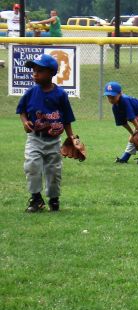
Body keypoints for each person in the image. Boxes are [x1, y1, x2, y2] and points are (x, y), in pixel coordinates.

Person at [16, 54, 76, 212]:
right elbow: (21, 110)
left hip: (54, 140)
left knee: (54, 170)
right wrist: (25, 122)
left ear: (51, 73)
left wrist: (72, 137)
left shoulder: (60, 95)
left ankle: (54, 199)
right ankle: (36, 199)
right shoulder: (31, 92)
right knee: (32, 165)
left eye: (40, 70)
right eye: (34, 70)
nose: (35, 73)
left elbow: (67, 118)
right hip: (35, 138)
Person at [103, 81, 138, 165]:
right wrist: (132, 134)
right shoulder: (115, 107)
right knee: (135, 137)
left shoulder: (124, 100)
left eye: (113, 96)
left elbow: (131, 118)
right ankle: (124, 159)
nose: (110, 99)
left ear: (120, 93)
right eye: (108, 97)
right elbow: (123, 123)